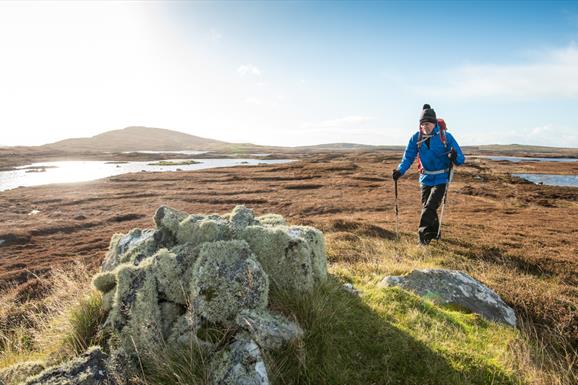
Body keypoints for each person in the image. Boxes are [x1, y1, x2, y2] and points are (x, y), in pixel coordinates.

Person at [392, 104, 465, 245]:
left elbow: (461, 159)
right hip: (425, 178)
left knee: (430, 207)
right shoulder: (416, 138)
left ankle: (423, 239)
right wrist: (400, 170)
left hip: (442, 178)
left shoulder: (446, 137)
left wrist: (454, 156)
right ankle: (434, 234)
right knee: (427, 207)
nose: (425, 127)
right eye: (423, 124)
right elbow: (408, 157)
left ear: (435, 123)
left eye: (428, 124)